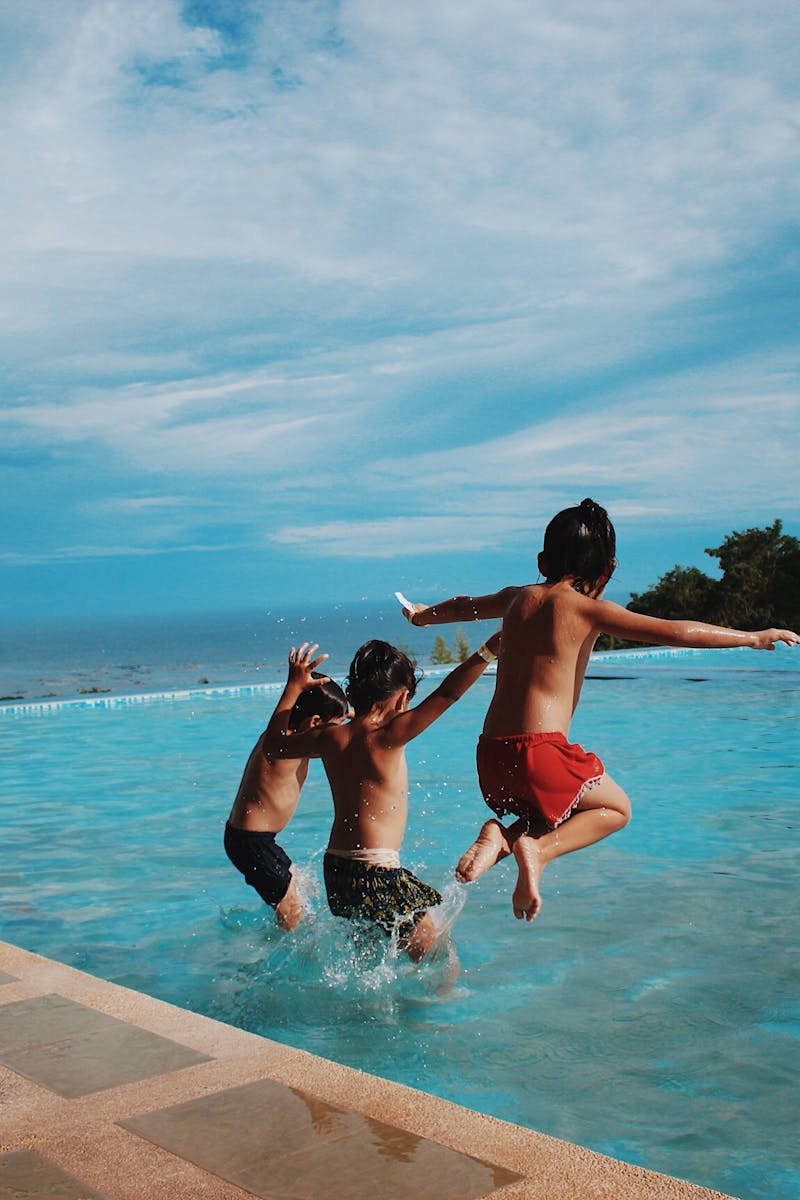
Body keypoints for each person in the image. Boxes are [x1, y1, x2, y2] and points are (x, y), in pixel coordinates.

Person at [400, 498, 799, 923]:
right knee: (615, 809)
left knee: (553, 809)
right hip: (541, 751)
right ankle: (536, 850)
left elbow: (464, 606)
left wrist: (423, 617)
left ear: (542, 561)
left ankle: (501, 837)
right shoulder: (589, 610)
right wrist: (754, 637)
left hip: (492, 755)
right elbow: (678, 632)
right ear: (607, 570)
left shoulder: (516, 598)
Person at [263, 634, 501, 961]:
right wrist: (488, 651)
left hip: (337, 871)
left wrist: (292, 688)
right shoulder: (389, 734)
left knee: (367, 956)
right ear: (402, 698)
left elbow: (273, 746)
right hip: (376, 871)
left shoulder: (330, 737)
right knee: (439, 955)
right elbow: (448, 693)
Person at [225, 644, 349, 931]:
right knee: (292, 912)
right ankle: (278, 953)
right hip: (251, 842)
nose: (338, 733)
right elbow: (285, 722)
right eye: (335, 726)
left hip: (255, 840)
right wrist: (293, 686)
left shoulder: (293, 740)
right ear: (315, 722)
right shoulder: (281, 744)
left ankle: (276, 931)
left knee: (301, 887)